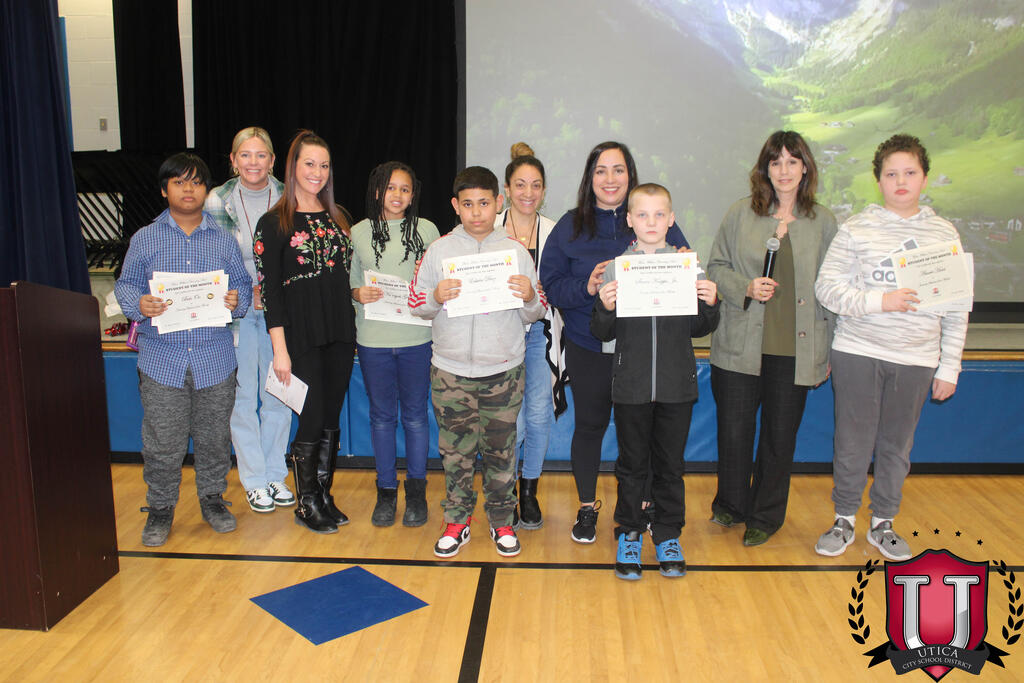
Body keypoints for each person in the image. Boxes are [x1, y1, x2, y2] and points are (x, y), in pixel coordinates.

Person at [813, 134, 968, 560]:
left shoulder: (943, 233)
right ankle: (844, 519)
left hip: (917, 358)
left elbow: (957, 306)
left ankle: (883, 523)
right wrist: (880, 301)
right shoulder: (856, 229)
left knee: (897, 446)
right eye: (891, 174)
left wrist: (949, 367)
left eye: (910, 173)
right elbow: (827, 288)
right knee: (852, 441)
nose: (901, 181)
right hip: (858, 351)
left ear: (924, 178)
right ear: (878, 180)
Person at [539, 141, 688, 543]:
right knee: (590, 426)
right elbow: (551, 285)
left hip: (644, 352)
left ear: (630, 175)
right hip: (590, 347)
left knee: (641, 434)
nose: (610, 179)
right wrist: (586, 287)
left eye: (618, 170)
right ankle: (587, 508)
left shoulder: (652, 218)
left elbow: (681, 268)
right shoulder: (570, 226)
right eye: (601, 170)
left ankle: (643, 506)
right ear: (590, 177)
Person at [706, 130, 838, 547]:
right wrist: (744, 287)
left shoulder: (823, 222)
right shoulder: (740, 213)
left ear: (805, 168)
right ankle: (731, 504)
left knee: (779, 440)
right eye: (775, 162)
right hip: (739, 346)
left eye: (792, 161)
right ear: (764, 169)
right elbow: (716, 266)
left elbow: (834, 287)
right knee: (734, 434)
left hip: (796, 348)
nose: (784, 170)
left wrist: (828, 351)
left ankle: (765, 516)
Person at [115, 152, 252, 546]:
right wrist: (139, 304)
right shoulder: (145, 238)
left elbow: (243, 287)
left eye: (195, 182)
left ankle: (213, 500)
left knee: (214, 439)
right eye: (179, 182)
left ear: (206, 190)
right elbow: (125, 285)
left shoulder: (223, 240)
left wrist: (235, 300)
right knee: (162, 441)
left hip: (214, 358)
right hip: (162, 359)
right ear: (164, 190)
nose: (188, 189)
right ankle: (160, 508)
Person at [409, 166, 545, 558]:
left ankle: (502, 520)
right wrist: (435, 296)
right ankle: (457, 520)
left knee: (502, 452)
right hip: (451, 372)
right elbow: (417, 303)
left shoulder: (515, 252)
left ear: (498, 203)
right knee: (456, 454)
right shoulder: (439, 250)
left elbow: (536, 310)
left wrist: (528, 296)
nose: (476, 212)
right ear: (456, 206)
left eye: (484, 203)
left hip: (503, 370)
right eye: (467, 204)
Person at [592, 184, 720, 580]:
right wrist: (604, 306)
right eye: (643, 215)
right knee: (631, 466)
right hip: (630, 386)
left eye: (659, 214)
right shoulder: (617, 269)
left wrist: (710, 302)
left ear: (671, 219)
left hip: (676, 385)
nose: (651, 222)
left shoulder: (688, 267)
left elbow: (701, 327)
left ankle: (667, 534)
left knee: (670, 467)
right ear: (630, 220)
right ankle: (629, 532)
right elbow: (602, 331)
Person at [253, 130, 355, 534]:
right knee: (311, 419)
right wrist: (280, 350)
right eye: (309, 163)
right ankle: (306, 502)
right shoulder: (272, 223)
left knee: (330, 418)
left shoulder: (338, 217)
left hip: (340, 331)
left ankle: (324, 496)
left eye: (324, 165)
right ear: (292, 166)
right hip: (301, 336)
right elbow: (271, 295)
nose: (317, 172)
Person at [204, 126, 295, 514]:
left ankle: (275, 474)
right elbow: (210, 258)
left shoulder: (290, 197)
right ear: (233, 159)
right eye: (245, 155)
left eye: (261, 155)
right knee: (242, 400)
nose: (253, 162)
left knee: (278, 393)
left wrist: (273, 291)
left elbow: (299, 256)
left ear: (272, 161)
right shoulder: (216, 200)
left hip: (281, 315)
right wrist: (243, 291)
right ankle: (254, 481)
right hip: (237, 315)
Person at [350, 161, 439, 527]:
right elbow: (350, 283)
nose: (398, 195)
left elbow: (438, 284)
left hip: (418, 338)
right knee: (382, 418)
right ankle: (385, 490)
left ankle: (416, 492)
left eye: (405, 189)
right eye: (390, 188)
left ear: (413, 194)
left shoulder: (428, 231)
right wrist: (357, 293)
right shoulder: (358, 232)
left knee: (416, 417)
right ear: (377, 192)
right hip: (373, 340)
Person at [494, 142, 560, 530]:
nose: (528, 193)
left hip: (540, 334)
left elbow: (561, 283)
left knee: (538, 414)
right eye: (520, 184)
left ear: (544, 190)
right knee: (510, 421)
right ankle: (505, 490)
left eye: (536, 185)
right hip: (500, 334)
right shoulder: (489, 227)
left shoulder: (554, 231)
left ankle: (529, 491)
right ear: (506, 189)